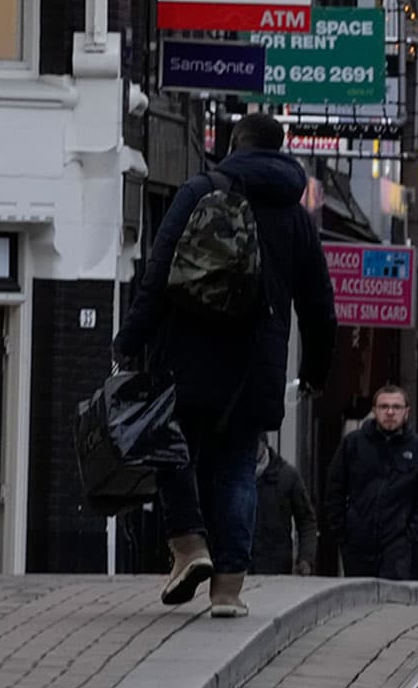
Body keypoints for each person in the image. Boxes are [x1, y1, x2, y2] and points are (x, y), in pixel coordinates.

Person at [117, 112, 336, 617]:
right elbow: (320, 305)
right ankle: (227, 591)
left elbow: (158, 269)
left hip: (187, 356)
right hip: (255, 368)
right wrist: (317, 373)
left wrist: (131, 340)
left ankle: (190, 546)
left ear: (232, 143)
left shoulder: (199, 190)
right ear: (280, 150)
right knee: (239, 467)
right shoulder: (296, 217)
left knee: (170, 448)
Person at [323, 386, 418, 587]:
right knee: (357, 599)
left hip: (397, 542)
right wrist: (341, 532)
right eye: (384, 406)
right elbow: (334, 490)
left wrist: (411, 535)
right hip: (356, 541)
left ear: (407, 411)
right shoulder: (353, 444)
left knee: (391, 599)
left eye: (396, 407)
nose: (390, 412)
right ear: (374, 410)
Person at [251, 444, 316, 578]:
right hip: (236, 571)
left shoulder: (287, 476)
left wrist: (305, 558)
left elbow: (306, 521)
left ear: (263, 445)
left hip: (276, 570)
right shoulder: (232, 476)